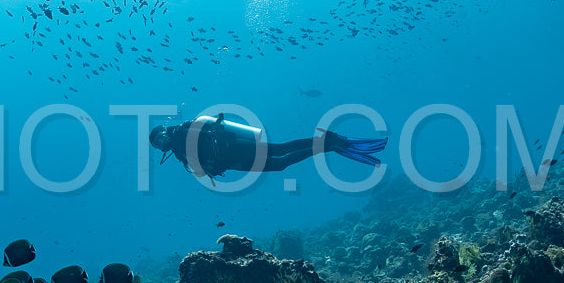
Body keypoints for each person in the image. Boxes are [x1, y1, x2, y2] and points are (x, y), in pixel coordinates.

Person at [149, 113, 387, 180]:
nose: (161, 145)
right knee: (281, 164)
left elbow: (209, 128)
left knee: (280, 150)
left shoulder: (181, 130)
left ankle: (330, 142)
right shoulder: (178, 153)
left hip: (234, 148)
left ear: (163, 132)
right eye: (157, 145)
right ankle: (328, 145)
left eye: (159, 139)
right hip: (232, 163)